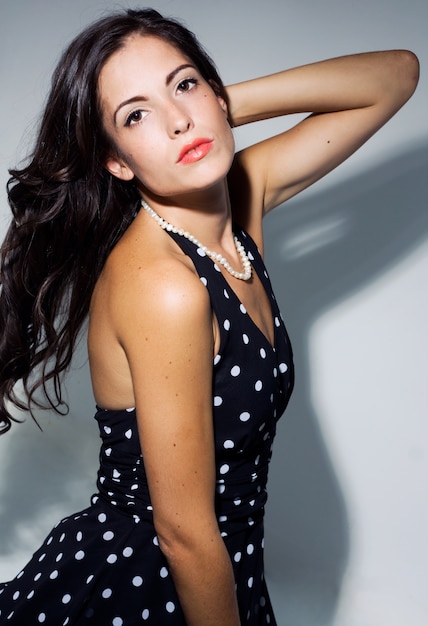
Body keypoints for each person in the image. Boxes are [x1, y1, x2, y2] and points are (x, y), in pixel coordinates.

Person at [0, 7, 418, 626]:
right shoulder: (165, 286)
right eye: (134, 116)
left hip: (223, 568)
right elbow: (185, 532)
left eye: (184, 83)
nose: (175, 120)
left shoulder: (239, 204)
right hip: (150, 585)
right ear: (116, 160)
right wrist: (199, 112)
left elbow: (396, 76)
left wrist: (215, 109)